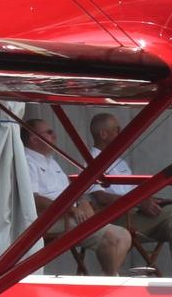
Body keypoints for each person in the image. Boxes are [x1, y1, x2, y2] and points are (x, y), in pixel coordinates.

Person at [87, 112, 172, 277]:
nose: (121, 132)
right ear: (103, 134)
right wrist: (138, 203)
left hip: (137, 215)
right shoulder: (89, 160)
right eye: (117, 129)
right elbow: (100, 197)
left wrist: (150, 201)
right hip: (118, 220)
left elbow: (134, 193)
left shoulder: (119, 162)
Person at [22, 117, 131, 275]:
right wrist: (69, 210)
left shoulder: (51, 161)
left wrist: (83, 200)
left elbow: (72, 189)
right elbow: (33, 198)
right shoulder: (26, 161)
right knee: (111, 237)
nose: (55, 136)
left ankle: (107, 281)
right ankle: (109, 284)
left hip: (70, 215)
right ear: (34, 138)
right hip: (48, 220)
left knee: (124, 235)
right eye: (49, 133)